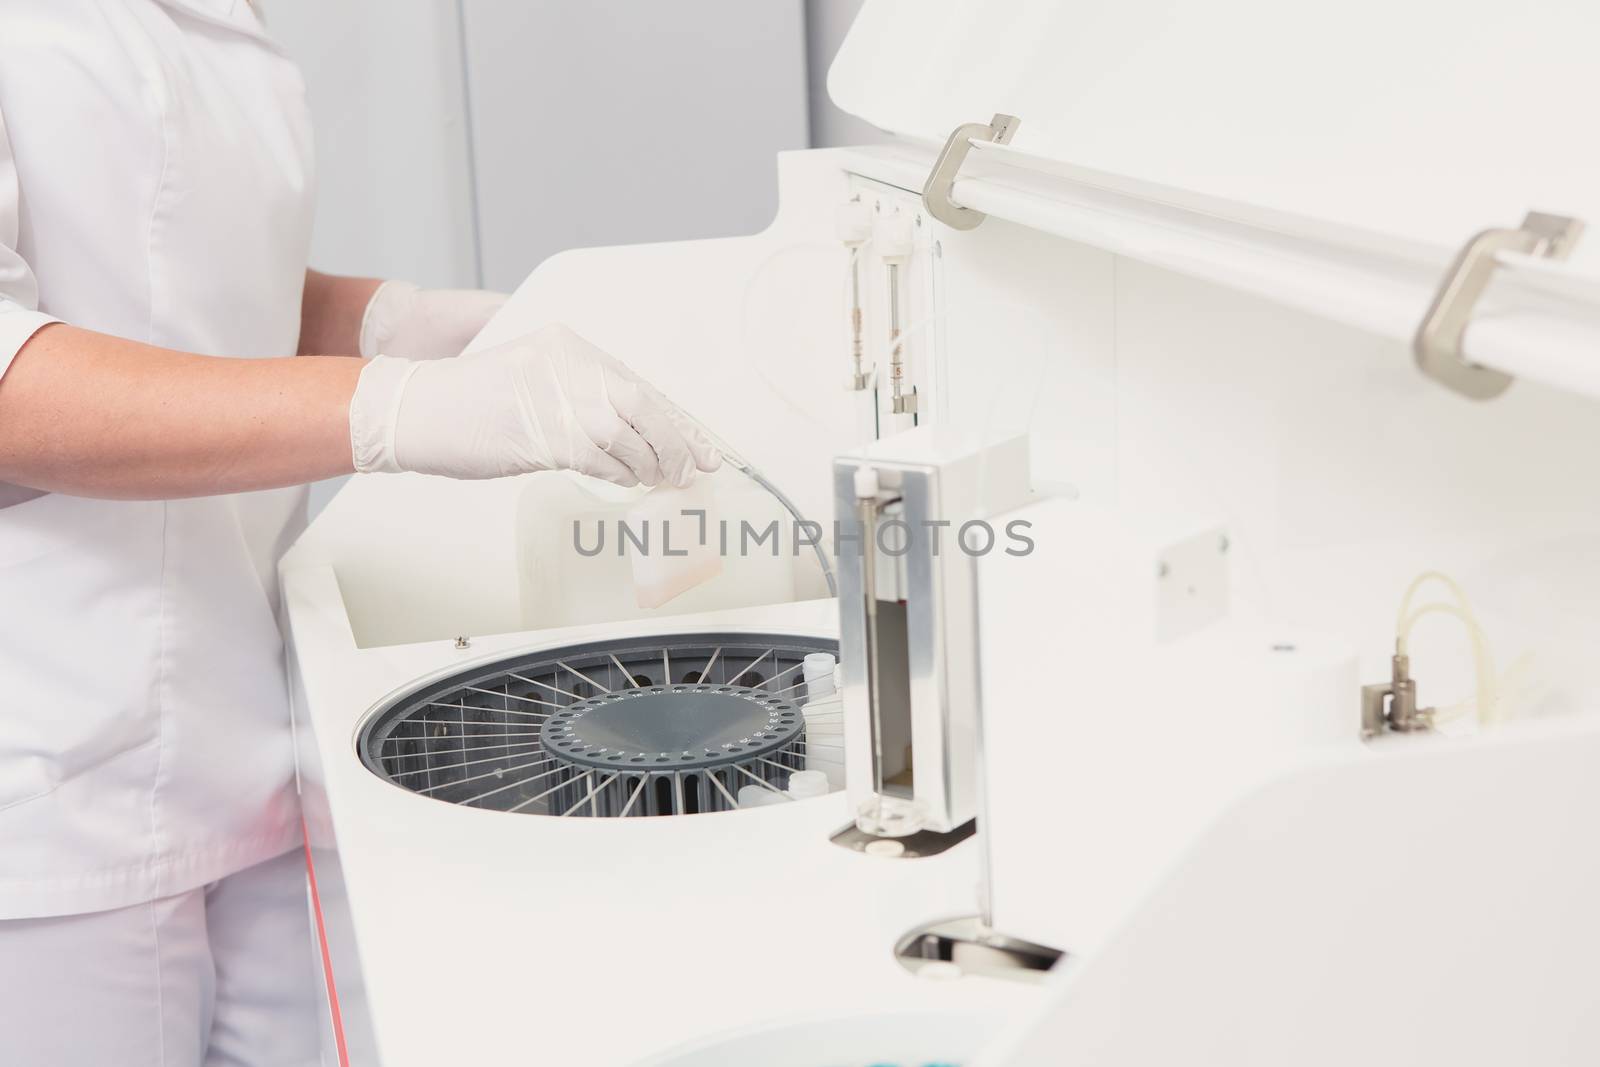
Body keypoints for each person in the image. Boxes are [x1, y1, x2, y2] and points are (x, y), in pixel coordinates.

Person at [0, 2, 716, 1063]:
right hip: (49, 758)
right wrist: (396, 407)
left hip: (231, 714)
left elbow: (166, 284)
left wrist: (391, 320)